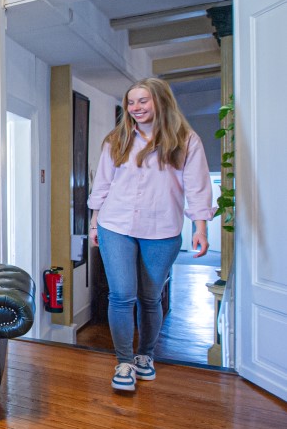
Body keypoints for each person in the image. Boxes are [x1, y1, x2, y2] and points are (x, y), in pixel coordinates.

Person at [88, 77, 214, 392]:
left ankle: (145, 355)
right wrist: (94, 223)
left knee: (150, 297)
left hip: (162, 229)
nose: (135, 107)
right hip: (116, 225)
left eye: (142, 101)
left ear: (160, 101)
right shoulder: (116, 139)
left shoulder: (185, 140)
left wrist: (200, 227)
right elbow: (102, 184)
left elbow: (197, 186)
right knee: (121, 295)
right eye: (131, 102)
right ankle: (124, 362)